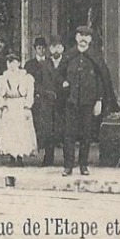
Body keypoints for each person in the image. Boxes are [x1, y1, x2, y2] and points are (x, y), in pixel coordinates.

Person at [62, 26, 118, 176]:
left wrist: (99, 100)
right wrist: (63, 83)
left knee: (86, 135)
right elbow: (58, 75)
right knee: (69, 135)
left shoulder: (95, 57)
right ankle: (68, 166)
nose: (83, 39)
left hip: (88, 102)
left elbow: (102, 80)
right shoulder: (68, 56)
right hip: (71, 101)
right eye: (80, 35)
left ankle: (83, 165)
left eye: (86, 36)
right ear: (76, 38)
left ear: (91, 40)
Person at [0, 52, 37, 164]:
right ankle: (12, 156)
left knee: (21, 131)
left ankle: (20, 156)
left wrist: (27, 106)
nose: (12, 65)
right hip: (9, 106)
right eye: (9, 62)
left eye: (14, 62)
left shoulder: (26, 77)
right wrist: (2, 105)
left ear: (19, 63)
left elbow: (30, 93)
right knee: (10, 132)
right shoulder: (2, 78)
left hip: (20, 106)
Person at [25, 37, 58, 167]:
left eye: (44, 48)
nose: (41, 50)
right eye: (39, 48)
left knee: (49, 129)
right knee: (35, 127)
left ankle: (48, 157)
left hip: (48, 101)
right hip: (35, 100)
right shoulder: (29, 64)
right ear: (35, 49)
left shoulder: (51, 63)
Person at [45, 37, 68, 167]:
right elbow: (40, 82)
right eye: (53, 47)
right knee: (49, 131)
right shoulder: (45, 64)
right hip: (49, 102)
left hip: (64, 102)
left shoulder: (68, 63)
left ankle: (67, 160)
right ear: (50, 49)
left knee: (65, 131)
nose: (56, 50)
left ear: (62, 49)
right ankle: (48, 159)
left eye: (58, 47)